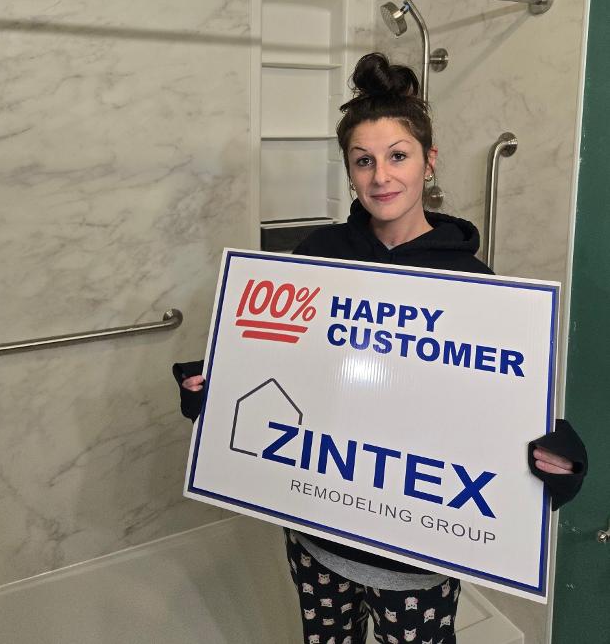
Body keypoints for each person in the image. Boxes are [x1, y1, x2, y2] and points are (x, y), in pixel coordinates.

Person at [173, 53, 587, 644]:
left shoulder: (474, 283)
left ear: (429, 161)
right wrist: (213, 391)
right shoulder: (316, 256)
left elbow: (493, 411)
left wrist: (552, 459)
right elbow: (280, 369)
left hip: (415, 562)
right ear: (348, 170)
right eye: (363, 160)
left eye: (398, 156)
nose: (380, 177)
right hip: (317, 536)